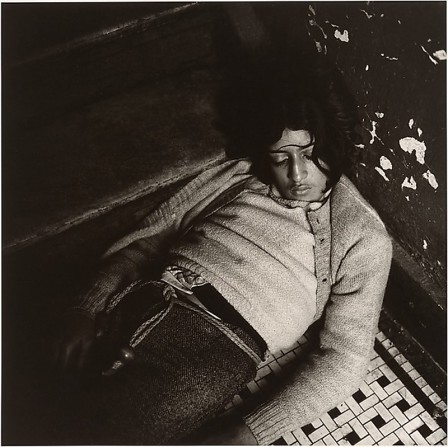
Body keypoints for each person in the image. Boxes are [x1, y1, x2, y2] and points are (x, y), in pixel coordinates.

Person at [54, 55, 392, 445]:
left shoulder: (363, 237)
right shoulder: (238, 178)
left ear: (335, 144)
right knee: (35, 390)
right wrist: (85, 307)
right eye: (280, 158)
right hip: (142, 298)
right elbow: (148, 244)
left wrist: (251, 432)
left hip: (214, 349)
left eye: (310, 154)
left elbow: (345, 358)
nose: (297, 174)